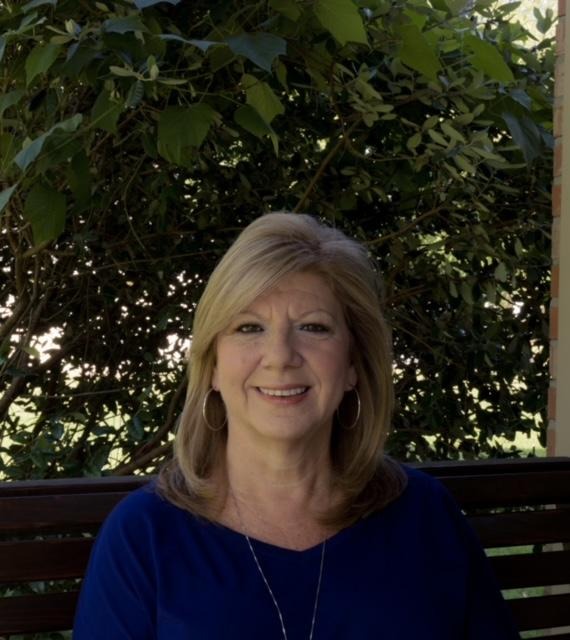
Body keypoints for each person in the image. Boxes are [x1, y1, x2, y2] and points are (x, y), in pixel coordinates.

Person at [73, 212, 519, 639]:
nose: (281, 356)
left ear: (353, 366)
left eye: (313, 327)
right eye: (249, 328)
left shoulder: (426, 520)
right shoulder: (144, 536)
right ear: (211, 366)